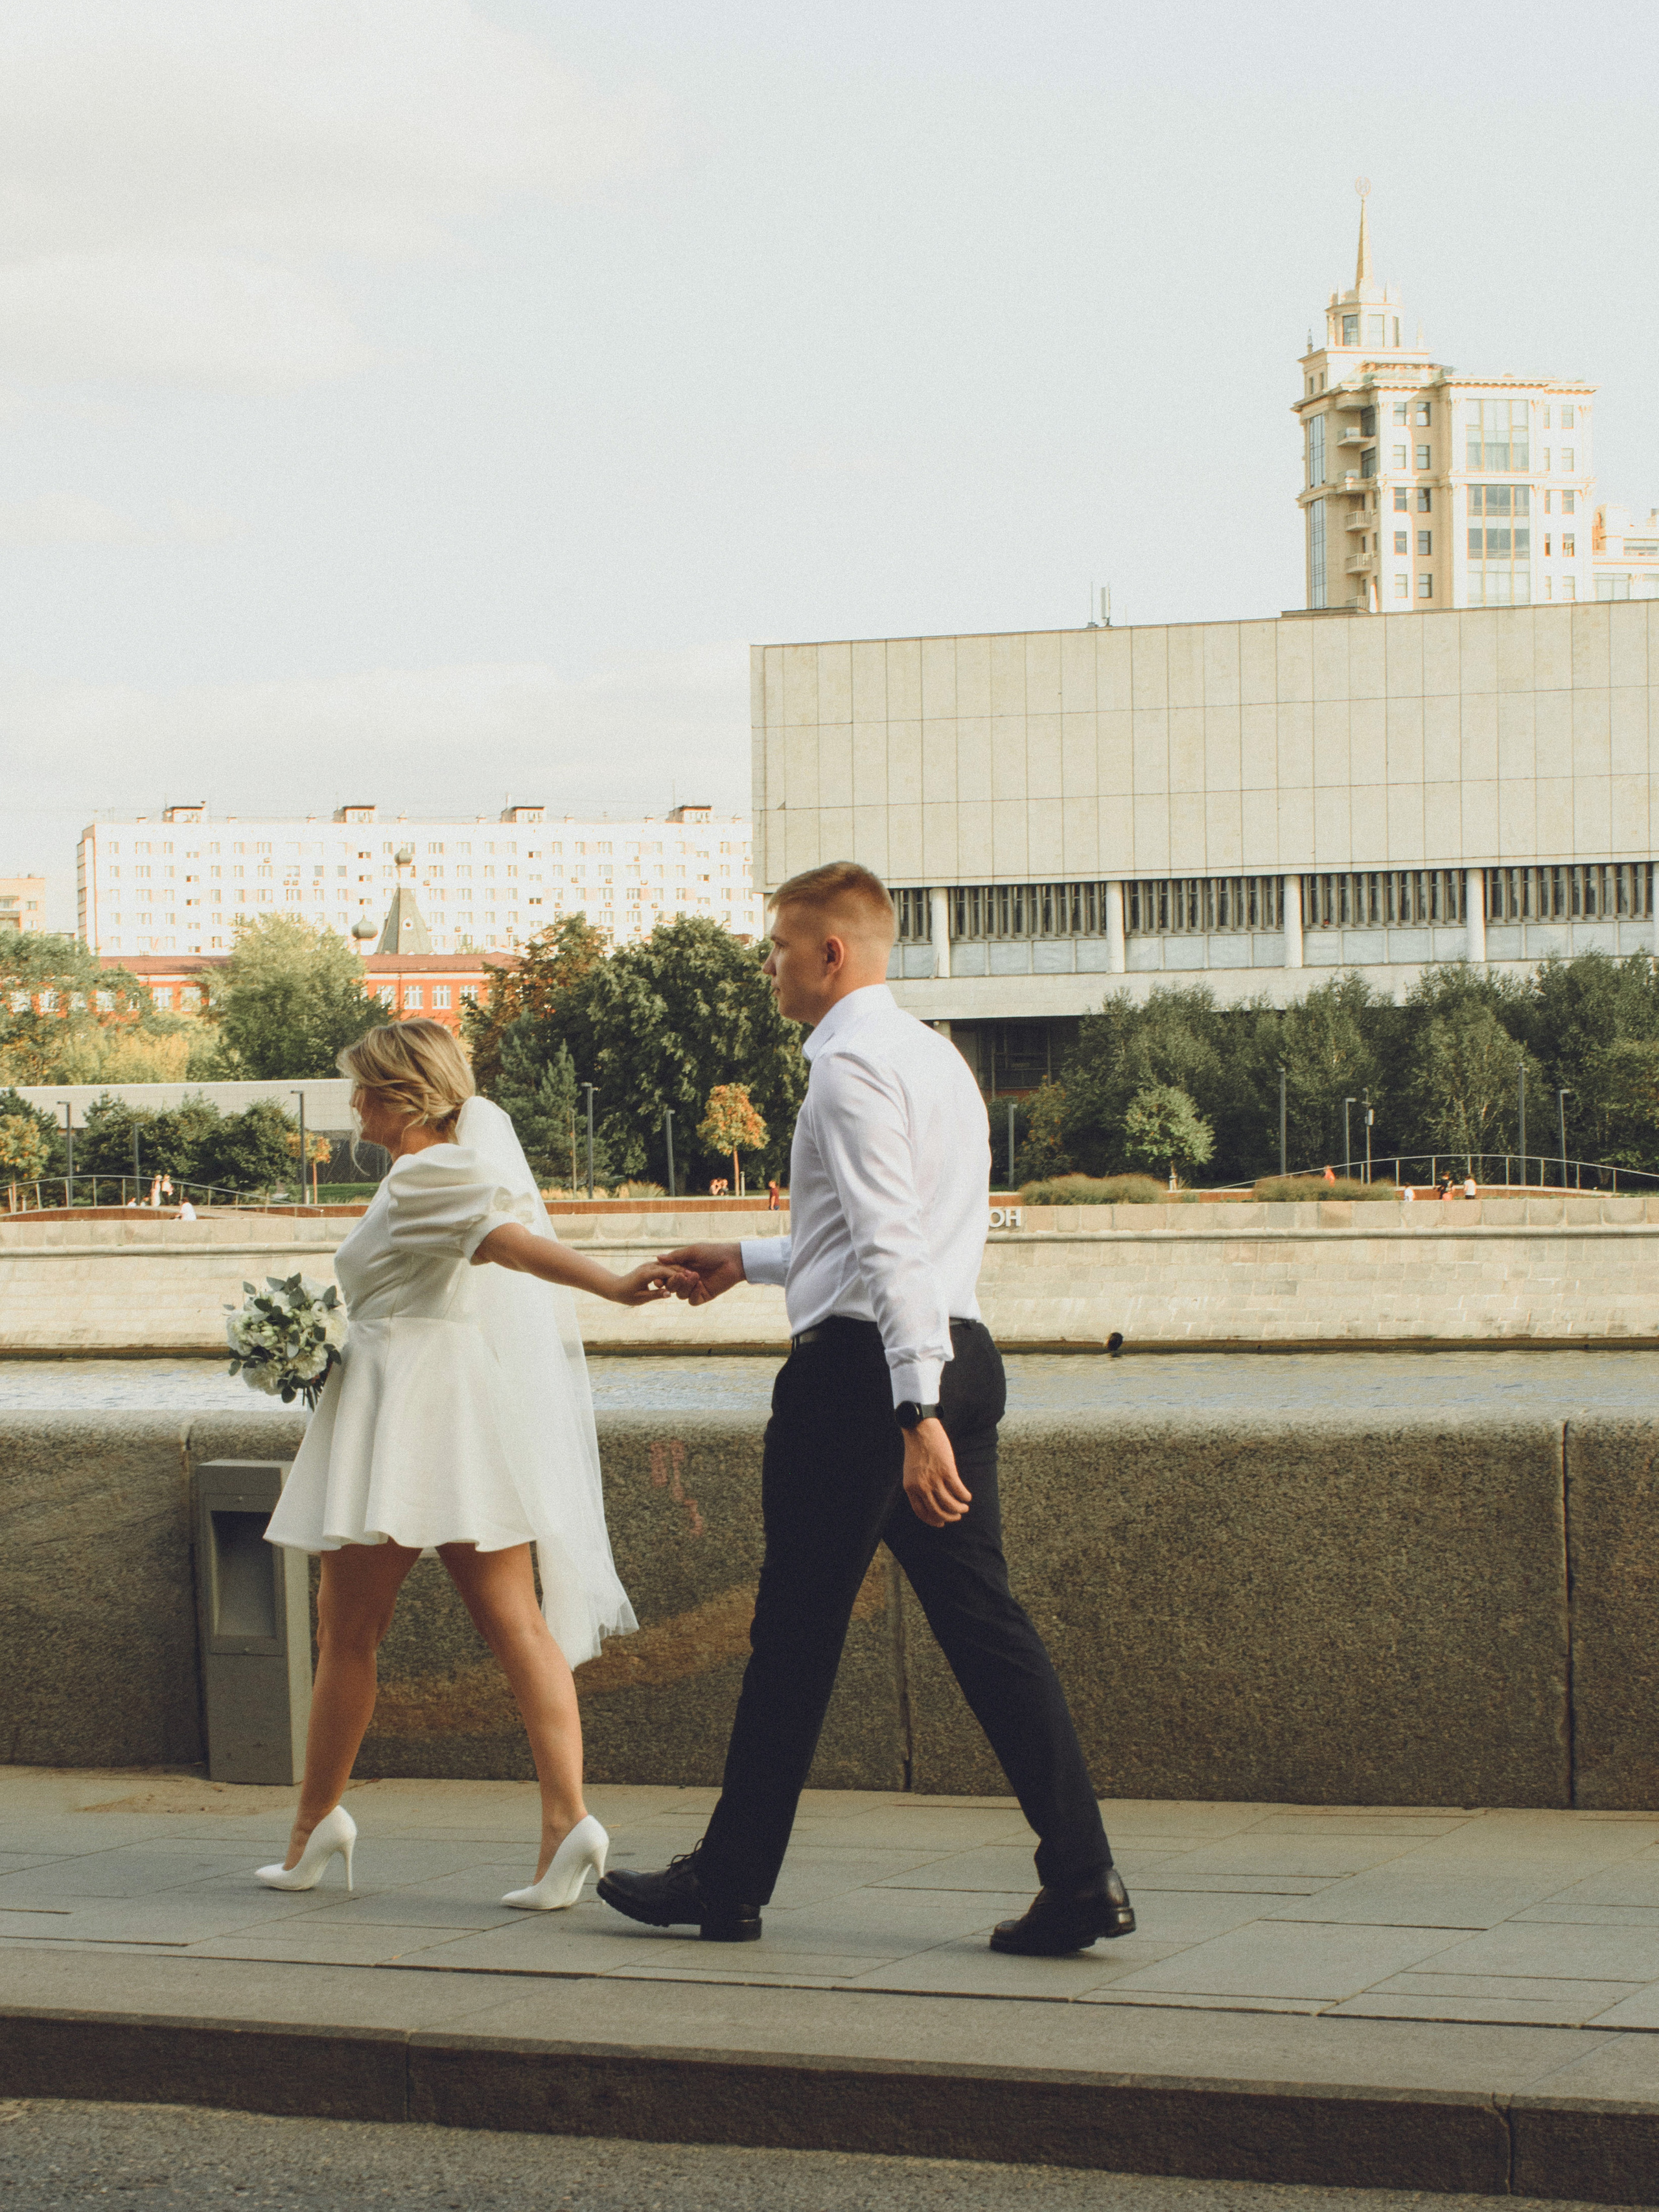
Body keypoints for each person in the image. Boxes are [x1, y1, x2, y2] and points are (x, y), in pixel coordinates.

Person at [600, 862, 1133, 1957]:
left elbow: (889, 1248)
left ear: (831, 954)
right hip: (956, 1352)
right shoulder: (936, 1060)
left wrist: (911, 1409)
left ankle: (730, 1882)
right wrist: (745, 1260)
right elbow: (884, 1239)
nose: (772, 967)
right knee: (988, 1628)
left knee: (792, 1633)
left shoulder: (843, 1069)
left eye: (783, 948)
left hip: (866, 1385)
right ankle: (1082, 1876)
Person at [259, 1019, 690, 1907]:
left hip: (403, 1414)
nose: (353, 1105)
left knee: (348, 1633)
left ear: (400, 1095)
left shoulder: (428, 1172)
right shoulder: (433, 1171)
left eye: (363, 1089)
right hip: (451, 1406)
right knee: (517, 1624)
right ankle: (566, 1822)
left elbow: (505, 1243)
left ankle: (314, 1830)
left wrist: (610, 1284)